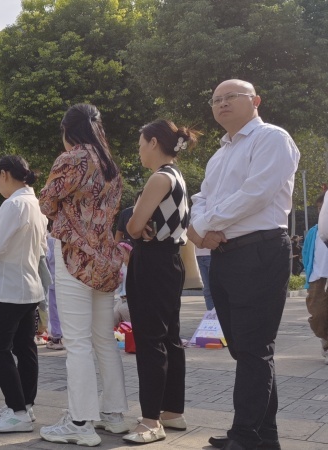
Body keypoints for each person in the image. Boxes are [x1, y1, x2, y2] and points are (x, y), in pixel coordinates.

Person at [189, 79, 300, 450]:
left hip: (259, 251)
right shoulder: (219, 154)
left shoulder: (272, 139)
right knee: (244, 349)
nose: (222, 104)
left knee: (254, 348)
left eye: (231, 97)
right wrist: (201, 227)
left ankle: (245, 436)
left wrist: (205, 226)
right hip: (224, 255)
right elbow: (201, 198)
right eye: (215, 99)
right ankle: (264, 436)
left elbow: (256, 193)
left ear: (255, 101)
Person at [38, 103, 128, 446]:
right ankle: (114, 415)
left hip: (75, 256)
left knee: (77, 342)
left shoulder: (72, 158)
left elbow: (46, 202)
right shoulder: (110, 164)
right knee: (103, 339)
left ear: (68, 130)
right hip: (105, 258)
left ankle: (80, 422)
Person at [122, 119, 196, 443]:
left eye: (141, 144)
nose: (139, 151)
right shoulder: (177, 176)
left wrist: (136, 224)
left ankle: (151, 420)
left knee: (150, 341)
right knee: (169, 338)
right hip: (169, 261)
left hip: (152, 262)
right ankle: (172, 411)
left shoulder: (159, 177)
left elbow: (134, 226)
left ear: (153, 142)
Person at [0, 155, 48, 433]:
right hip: (29, 286)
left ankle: (18, 411)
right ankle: (24, 405)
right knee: (25, 347)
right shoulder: (35, 203)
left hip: (9, 288)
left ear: (4, 174)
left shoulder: (14, 204)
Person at [308, 194, 328, 365]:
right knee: (318, 315)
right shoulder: (313, 232)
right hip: (317, 277)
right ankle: (325, 338)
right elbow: (307, 254)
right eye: (320, 208)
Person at [45, 234, 65, 350]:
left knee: (54, 309)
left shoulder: (50, 241)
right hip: (67, 281)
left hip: (53, 280)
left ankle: (57, 338)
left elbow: (46, 258)